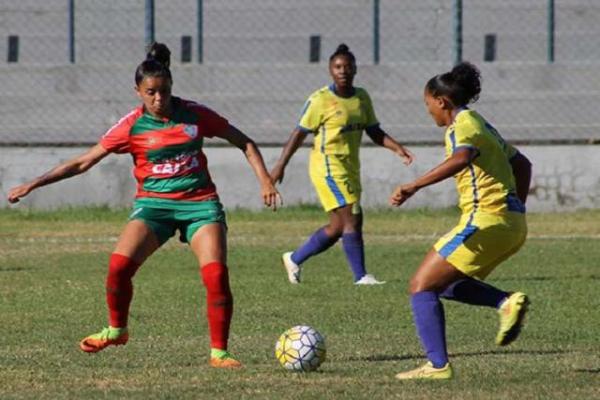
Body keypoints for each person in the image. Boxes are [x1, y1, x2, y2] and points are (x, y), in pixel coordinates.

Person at [7, 43, 280, 369]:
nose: (159, 99)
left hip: (200, 205)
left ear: (171, 87)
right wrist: (34, 184)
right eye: (151, 92)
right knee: (118, 269)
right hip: (153, 208)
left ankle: (219, 353)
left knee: (216, 275)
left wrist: (265, 179)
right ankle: (117, 330)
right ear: (137, 91)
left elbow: (244, 142)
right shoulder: (131, 126)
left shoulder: (195, 114)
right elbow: (84, 162)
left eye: (164, 91)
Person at [390, 62, 532, 380]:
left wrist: (414, 185)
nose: (429, 113)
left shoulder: (461, 126)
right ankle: (505, 302)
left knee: (420, 286)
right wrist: (515, 209)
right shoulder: (481, 122)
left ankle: (437, 365)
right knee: (447, 283)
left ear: (441, 101)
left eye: (428, 105)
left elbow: (461, 158)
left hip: (485, 221)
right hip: (510, 225)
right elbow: (523, 164)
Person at [270, 44, 414, 285]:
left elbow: (374, 131)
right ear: (330, 70)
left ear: (355, 69)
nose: (343, 71)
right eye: (338, 67)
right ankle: (361, 277)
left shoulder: (362, 97)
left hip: (350, 167)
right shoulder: (320, 100)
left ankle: (294, 258)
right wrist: (280, 165)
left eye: (348, 66)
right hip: (327, 167)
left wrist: (397, 147)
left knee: (338, 226)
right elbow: (298, 134)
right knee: (353, 217)